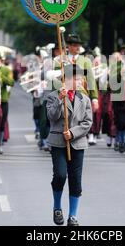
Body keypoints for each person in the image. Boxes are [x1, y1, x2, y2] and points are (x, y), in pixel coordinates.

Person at [46, 63, 93, 227]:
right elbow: (52, 116)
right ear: (65, 79)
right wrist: (60, 99)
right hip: (58, 142)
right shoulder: (53, 96)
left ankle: (73, 216)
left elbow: (88, 123)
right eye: (76, 77)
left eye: (80, 77)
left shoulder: (84, 98)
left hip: (77, 143)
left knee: (75, 180)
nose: (79, 80)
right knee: (60, 175)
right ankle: (57, 207)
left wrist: (73, 132)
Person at [0, 50, 14, 155]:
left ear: (1, 60)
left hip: (4, 99)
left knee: (2, 122)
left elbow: (11, 82)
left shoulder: (6, 69)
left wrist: (1, 75)